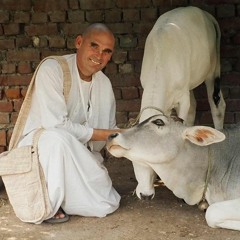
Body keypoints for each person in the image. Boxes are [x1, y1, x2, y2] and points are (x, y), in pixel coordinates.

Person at [17, 23, 122, 223]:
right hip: (40, 149)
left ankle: (70, 199)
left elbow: (109, 133)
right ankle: (50, 204)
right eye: (94, 46)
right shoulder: (53, 69)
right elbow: (54, 124)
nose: (99, 56)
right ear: (79, 42)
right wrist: (104, 134)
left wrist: (131, 139)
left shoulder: (104, 84)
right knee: (57, 139)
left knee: (107, 202)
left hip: (81, 153)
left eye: (107, 51)